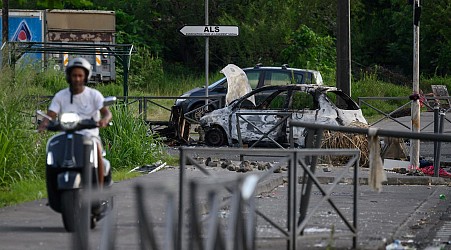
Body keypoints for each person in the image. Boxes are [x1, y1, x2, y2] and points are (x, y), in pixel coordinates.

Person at [38, 57, 113, 186]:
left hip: (90, 135)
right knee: (53, 152)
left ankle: (98, 191)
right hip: (66, 133)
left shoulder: (94, 95)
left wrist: (104, 120)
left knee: (98, 151)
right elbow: (51, 114)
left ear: (85, 77)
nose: (77, 79)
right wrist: (44, 123)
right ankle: (53, 189)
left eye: (80, 75)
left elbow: (106, 112)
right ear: (69, 77)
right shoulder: (60, 96)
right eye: (74, 75)